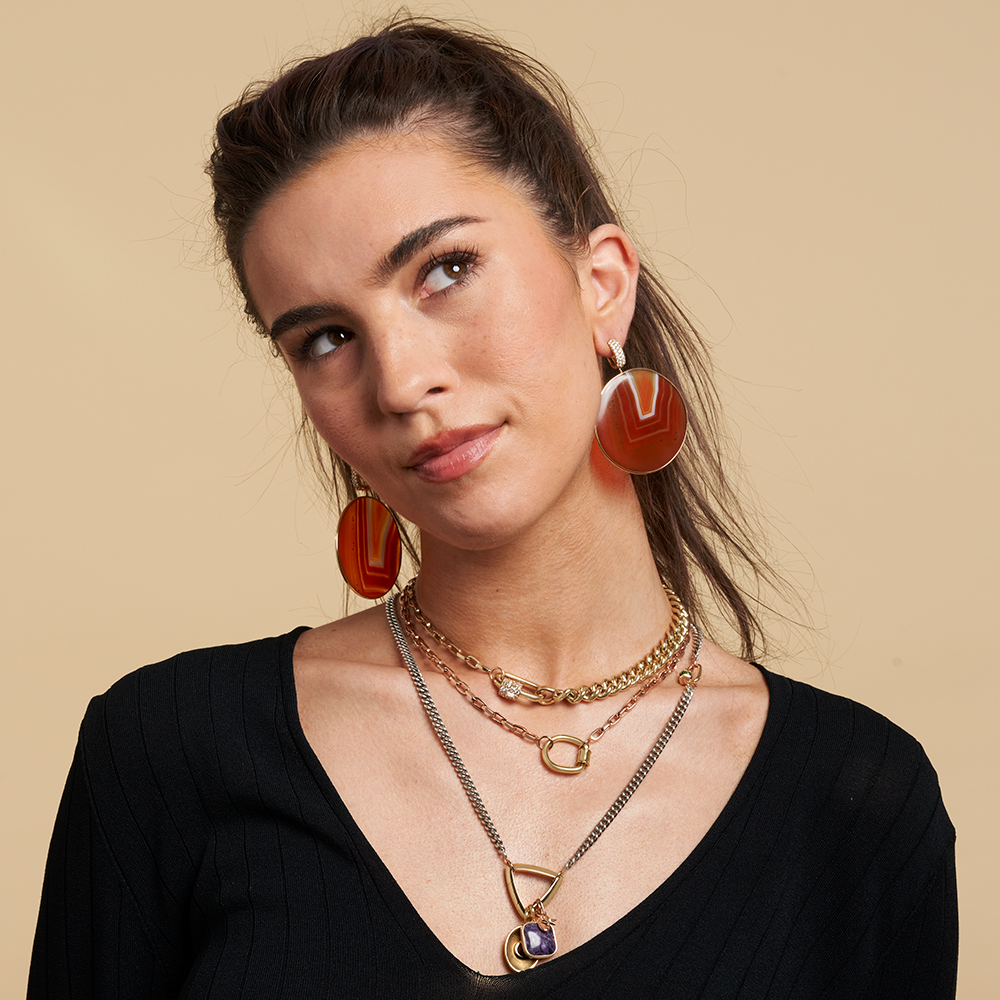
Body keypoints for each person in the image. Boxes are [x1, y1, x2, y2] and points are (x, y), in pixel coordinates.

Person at [28, 18, 957, 998]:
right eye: (326, 337)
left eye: (444, 270)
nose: (400, 380)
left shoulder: (855, 802)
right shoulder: (169, 749)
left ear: (602, 285)